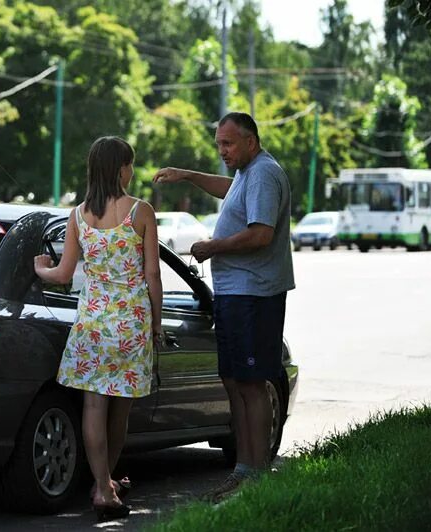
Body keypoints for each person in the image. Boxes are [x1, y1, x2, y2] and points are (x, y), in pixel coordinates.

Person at [153, 112, 295, 501]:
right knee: (234, 380)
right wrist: (188, 174)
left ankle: (257, 472)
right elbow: (228, 189)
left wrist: (212, 247)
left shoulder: (264, 173)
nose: (223, 152)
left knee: (252, 382)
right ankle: (243, 469)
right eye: (219, 144)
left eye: (228, 144)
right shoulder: (247, 174)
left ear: (251, 141)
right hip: (235, 293)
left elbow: (261, 235)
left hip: (255, 294)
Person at [34, 136, 163, 521]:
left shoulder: (78, 216)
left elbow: (61, 274)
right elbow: (153, 276)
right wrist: (156, 325)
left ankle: (103, 484)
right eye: (130, 165)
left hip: (91, 324)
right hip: (130, 326)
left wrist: (40, 266)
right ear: (120, 168)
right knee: (120, 409)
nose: (133, 171)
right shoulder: (141, 212)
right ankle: (103, 485)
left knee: (93, 404)